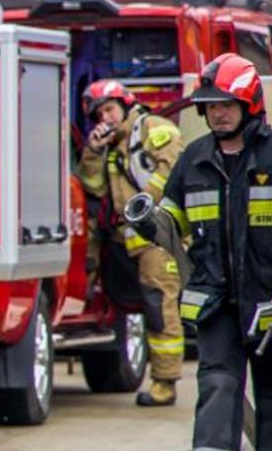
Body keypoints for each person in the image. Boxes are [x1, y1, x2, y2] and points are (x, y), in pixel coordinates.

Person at [152, 54, 272, 451]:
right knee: (217, 392)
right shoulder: (194, 158)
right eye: (210, 105)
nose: (217, 113)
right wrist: (150, 224)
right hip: (216, 304)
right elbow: (172, 215)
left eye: (226, 104)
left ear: (249, 104)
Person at [75, 78, 188, 406]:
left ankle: (164, 382)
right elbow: (93, 189)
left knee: (158, 302)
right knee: (137, 302)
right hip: (128, 238)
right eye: (99, 115)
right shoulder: (110, 147)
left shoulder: (152, 129)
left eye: (109, 110)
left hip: (157, 232)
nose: (105, 119)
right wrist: (93, 152)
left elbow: (173, 170)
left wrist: (143, 206)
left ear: (125, 105)